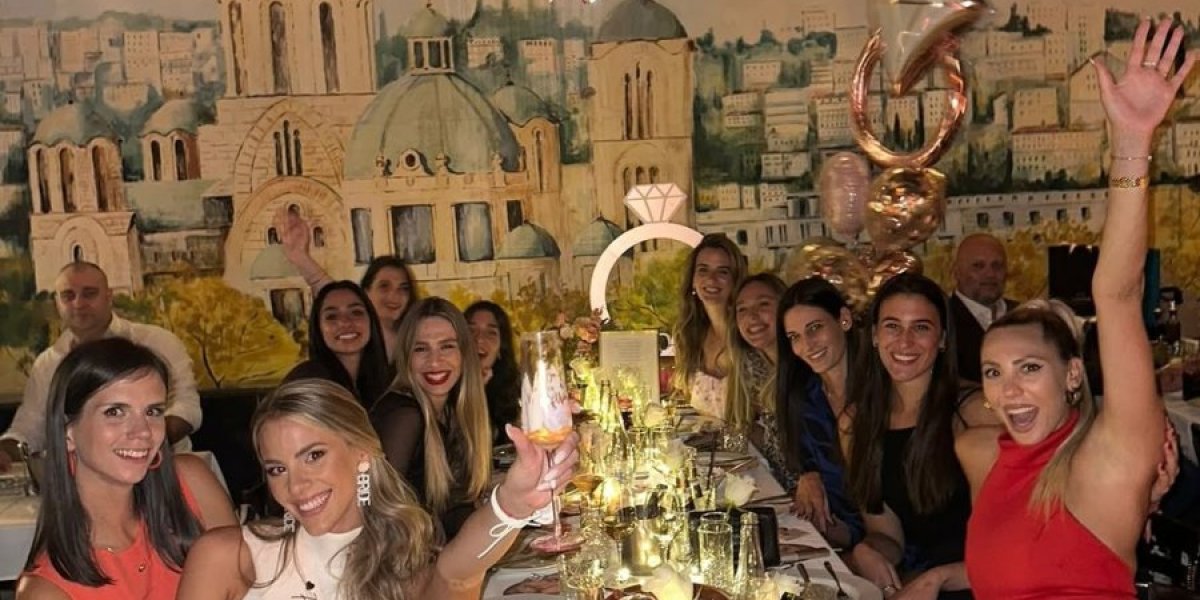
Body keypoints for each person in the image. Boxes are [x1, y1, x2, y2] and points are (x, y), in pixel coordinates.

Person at [954, 19, 1196, 599]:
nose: (1009, 390)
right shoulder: (982, 455)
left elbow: (1116, 293)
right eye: (994, 372)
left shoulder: (1109, 459)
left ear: (1071, 374)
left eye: (1028, 367)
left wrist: (1131, 145)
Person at [176, 378, 579, 600]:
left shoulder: (400, 565)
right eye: (277, 468)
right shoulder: (227, 557)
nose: (295, 485)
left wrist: (513, 505)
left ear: (362, 453)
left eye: (314, 456)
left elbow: (457, 575)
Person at [17, 338, 237, 599]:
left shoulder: (191, 485)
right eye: (115, 412)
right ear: (68, 432)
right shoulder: (46, 591)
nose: (142, 431)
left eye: (153, 411)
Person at [844, 273, 992, 599]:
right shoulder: (857, 421)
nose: (905, 341)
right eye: (892, 326)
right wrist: (867, 550)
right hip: (922, 583)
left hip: (982, 583)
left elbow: (1017, 540)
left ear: (942, 339)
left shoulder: (975, 413)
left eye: (921, 327)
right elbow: (888, 535)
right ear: (874, 335)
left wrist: (937, 579)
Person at [0, 262, 202, 472]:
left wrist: (141, 443)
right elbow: (29, 427)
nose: (78, 303)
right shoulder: (47, 363)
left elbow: (187, 408)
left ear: (108, 296)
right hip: (78, 478)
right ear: (57, 303)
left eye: (89, 294)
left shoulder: (157, 342)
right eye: (68, 296)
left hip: (164, 469)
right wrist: (5, 451)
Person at [370, 298, 493, 538]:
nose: (435, 361)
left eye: (446, 346)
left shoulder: (451, 411)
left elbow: (455, 511)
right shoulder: (404, 417)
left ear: (464, 354)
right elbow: (380, 522)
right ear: (406, 357)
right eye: (421, 349)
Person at [775, 276, 866, 550]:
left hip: (896, 549)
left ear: (844, 320)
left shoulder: (882, 393)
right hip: (840, 541)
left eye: (815, 328)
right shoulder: (804, 399)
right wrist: (807, 473)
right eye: (795, 337)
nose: (807, 345)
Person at [278, 208, 417, 362]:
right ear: (365, 291)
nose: (394, 295)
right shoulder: (362, 336)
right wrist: (300, 257)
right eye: (384, 286)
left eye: (403, 288)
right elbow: (326, 287)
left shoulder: (415, 335)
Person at [671, 233, 747, 419]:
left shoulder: (749, 333)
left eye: (722, 272)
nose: (711, 279)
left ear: (735, 280)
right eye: (703, 270)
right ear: (693, 280)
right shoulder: (688, 334)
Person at [283, 281, 392, 408]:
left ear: (371, 320)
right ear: (318, 327)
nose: (345, 322)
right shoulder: (308, 380)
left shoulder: (386, 379)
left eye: (356, 312)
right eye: (332, 316)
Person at [724, 274, 788, 475]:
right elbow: (743, 428)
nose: (752, 317)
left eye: (763, 304)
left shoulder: (806, 365)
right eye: (742, 309)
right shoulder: (753, 363)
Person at [948, 233, 1017, 383]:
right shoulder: (942, 320)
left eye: (997, 266)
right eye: (978, 266)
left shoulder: (1025, 315)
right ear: (956, 272)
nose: (990, 274)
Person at [464, 301, 521, 444]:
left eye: (491, 333)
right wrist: (475, 390)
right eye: (471, 331)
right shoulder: (444, 388)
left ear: (501, 348)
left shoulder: (515, 392)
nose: (479, 339)